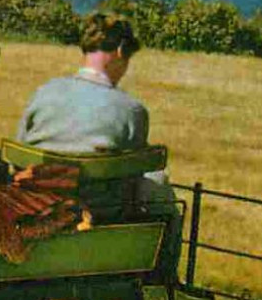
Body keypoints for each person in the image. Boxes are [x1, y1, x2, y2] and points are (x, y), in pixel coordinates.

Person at [16, 12, 176, 220]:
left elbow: (19, 154)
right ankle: (162, 252)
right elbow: (134, 176)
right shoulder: (131, 110)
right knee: (157, 179)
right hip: (101, 216)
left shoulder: (43, 92)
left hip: (36, 208)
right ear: (121, 51)